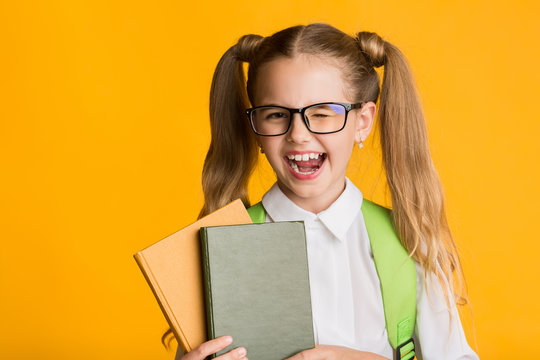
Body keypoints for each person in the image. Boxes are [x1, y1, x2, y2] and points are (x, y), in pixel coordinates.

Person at [171, 23, 479, 360]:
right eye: (276, 115)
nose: (299, 135)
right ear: (256, 129)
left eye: (321, 113)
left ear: (362, 122)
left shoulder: (409, 243)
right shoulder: (219, 246)